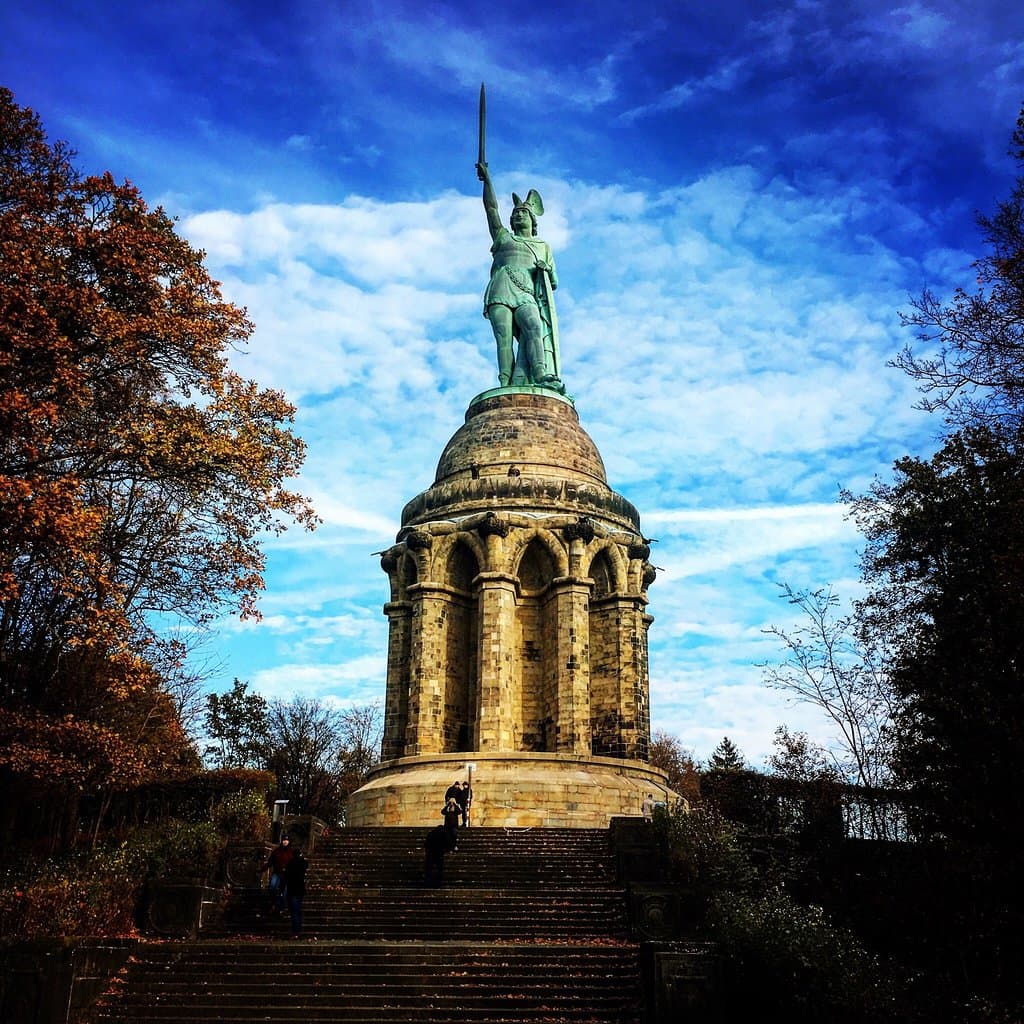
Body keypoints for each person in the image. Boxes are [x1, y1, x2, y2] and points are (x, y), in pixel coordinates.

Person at [476, 160, 562, 392]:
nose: (517, 216)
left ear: (533, 221)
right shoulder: (503, 238)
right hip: (501, 289)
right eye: (515, 213)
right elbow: (491, 210)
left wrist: (544, 269)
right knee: (503, 338)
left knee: (534, 326)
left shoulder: (542, 245)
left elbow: (553, 282)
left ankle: (542, 374)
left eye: (523, 213)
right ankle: (505, 382)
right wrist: (488, 181)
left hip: (526, 293)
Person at [264, 834, 293, 913]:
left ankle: (282, 908)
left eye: (286, 840)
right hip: (277, 873)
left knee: (284, 892)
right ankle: (273, 903)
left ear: (289, 841)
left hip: (286, 875)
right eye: (284, 840)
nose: (285, 841)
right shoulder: (276, 851)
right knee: (272, 887)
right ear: (282, 841)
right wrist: (263, 869)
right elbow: (270, 862)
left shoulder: (291, 852)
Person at [284, 846, 308, 939]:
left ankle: (295, 932)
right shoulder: (302, 862)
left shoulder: (291, 863)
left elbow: (286, 876)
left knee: (294, 911)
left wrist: (282, 889)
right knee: (297, 910)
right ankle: (297, 931)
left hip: (292, 889)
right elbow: (306, 865)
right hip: (300, 890)